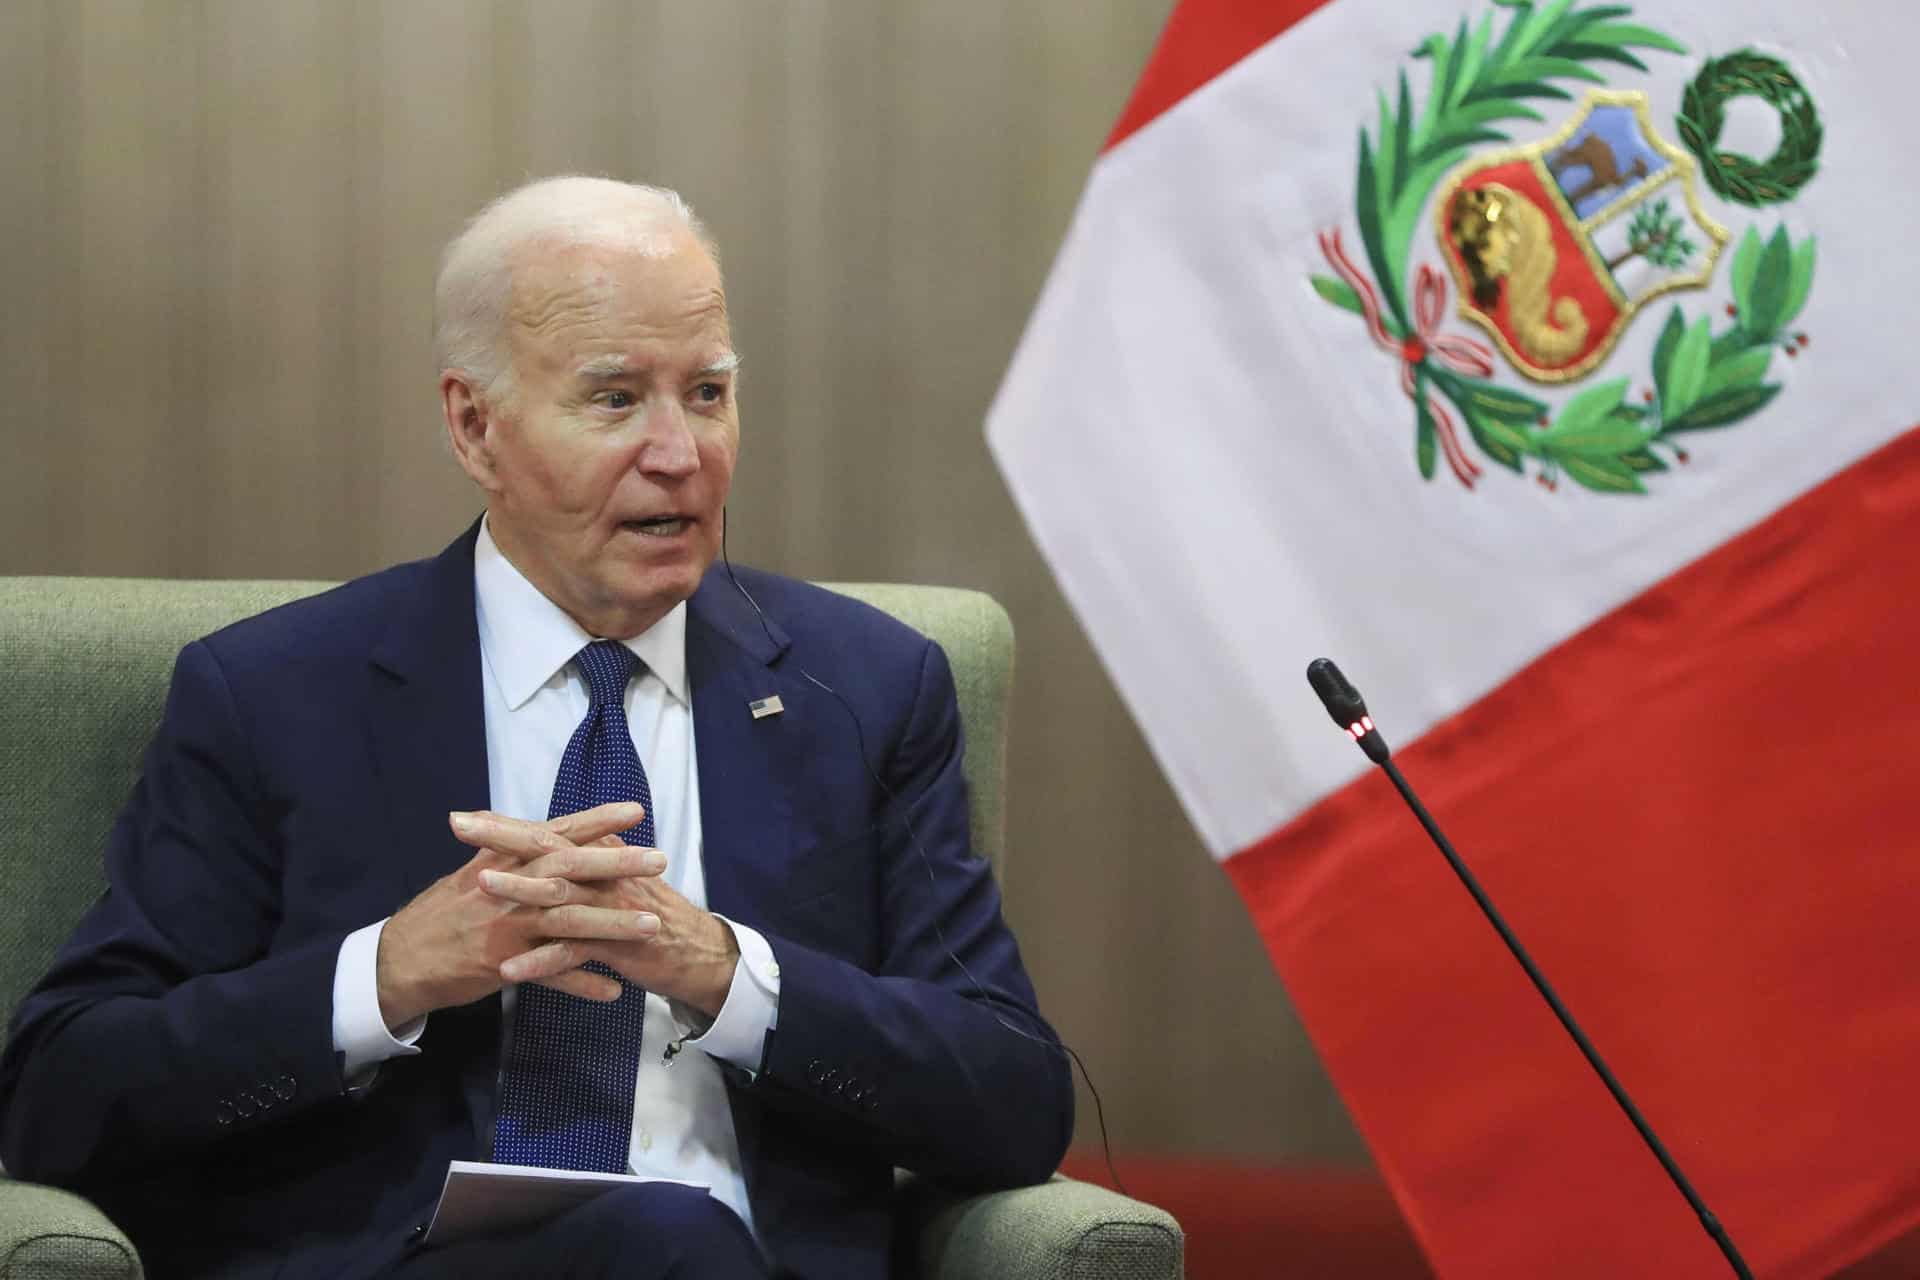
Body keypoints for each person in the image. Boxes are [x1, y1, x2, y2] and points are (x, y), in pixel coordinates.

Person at [0, 176, 1072, 1279]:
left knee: (679, 1235)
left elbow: (1012, 1098)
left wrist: (723, 971)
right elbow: (60, 1088)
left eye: (706, 392)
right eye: (615, 399)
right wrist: (386, 974)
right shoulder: (277, 692)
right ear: (475, 424)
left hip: (743, 1260)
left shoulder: (866, 690)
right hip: (411, 1262)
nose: (680, 451)